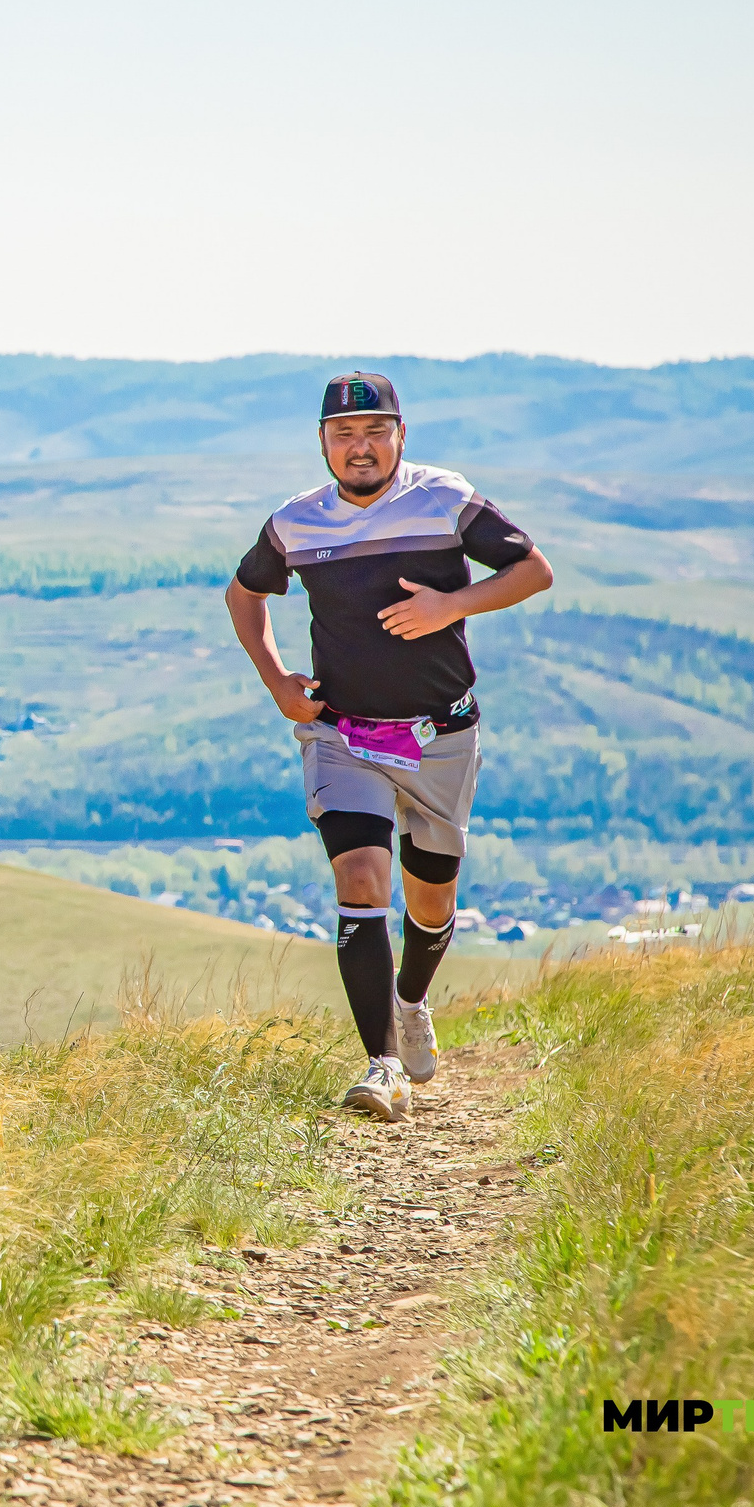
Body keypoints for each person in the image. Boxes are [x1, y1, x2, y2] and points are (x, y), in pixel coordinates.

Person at [223, 370, 553, 1121]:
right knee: (364, 880)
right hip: (343, 734)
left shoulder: (444, 499)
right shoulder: (295, 523)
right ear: (322, 444)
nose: (361, 447)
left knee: (431, 896)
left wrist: (452, 605)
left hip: (441, 734)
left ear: (402, 434)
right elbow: (245, 593)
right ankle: (381, 1065)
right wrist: (278, 682)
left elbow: (533, 569)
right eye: (345, 434)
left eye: (376, 432)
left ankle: (410, 998)